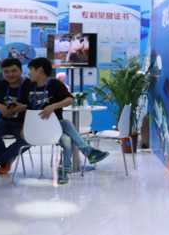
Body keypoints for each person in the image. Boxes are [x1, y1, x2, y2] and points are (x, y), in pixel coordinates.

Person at [25, 57, 108, 185]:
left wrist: (53, 106)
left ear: (40, 70)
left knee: (67, 139)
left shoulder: (55, 84)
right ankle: (88, 151)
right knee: (66, 123)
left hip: (54, 129)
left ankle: (64, 171)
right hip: (34, 129)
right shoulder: (27, 85)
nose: (29, 73)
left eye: (31, 69)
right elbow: (21, 104)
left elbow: (69, 100)